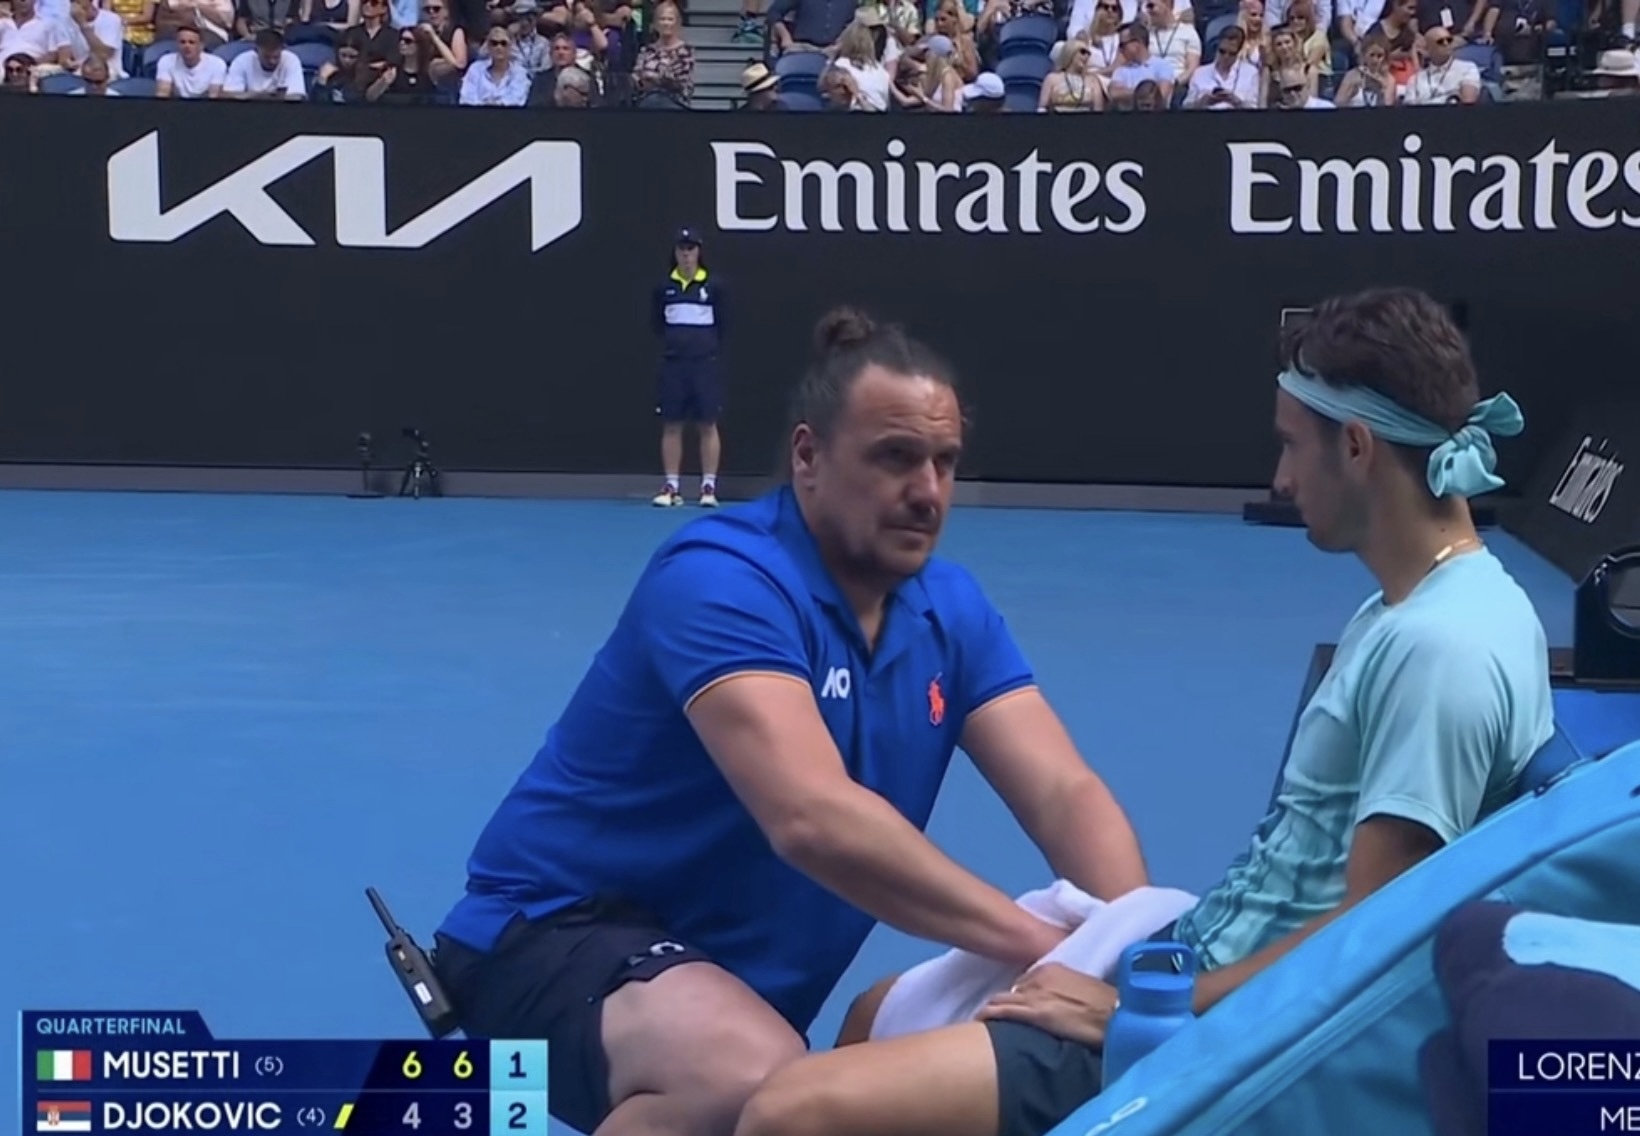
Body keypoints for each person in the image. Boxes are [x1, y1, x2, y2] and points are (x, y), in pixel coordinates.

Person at [733, 286, 1555, 1136]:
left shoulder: (1440, 649)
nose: (1279, 479)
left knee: (794, 1112)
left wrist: (1147, 1010)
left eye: (1290, 445)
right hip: (1201, 952)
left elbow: (1376, 932)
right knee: (874, 1014)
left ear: (1355, 446)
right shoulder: (1419, 609)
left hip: (1232, 1028)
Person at [431, 306, 1149, 1136]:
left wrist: (1137, 961)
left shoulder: (951, 610)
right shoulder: (724, 578)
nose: (927, 492)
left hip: (724, 993)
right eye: (895, 458)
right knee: (745, 1080)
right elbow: (812, 818)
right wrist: (1046, 948)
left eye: (945, 462)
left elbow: (1062, 791)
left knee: (898, 1071)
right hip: (548, 936)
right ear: (808, 456)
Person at [652, 227, 726, 509]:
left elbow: (724, 324)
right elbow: (657, 324)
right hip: (674, 365)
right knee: (672, 424)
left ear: (699, 252)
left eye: (691, 249)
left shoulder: (714, 287)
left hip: (704, 365)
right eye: (682, 249)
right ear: (675, 253)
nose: (686, 255)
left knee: (708, 424)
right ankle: (672, 486)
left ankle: (708, 486)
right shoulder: (664, 288)